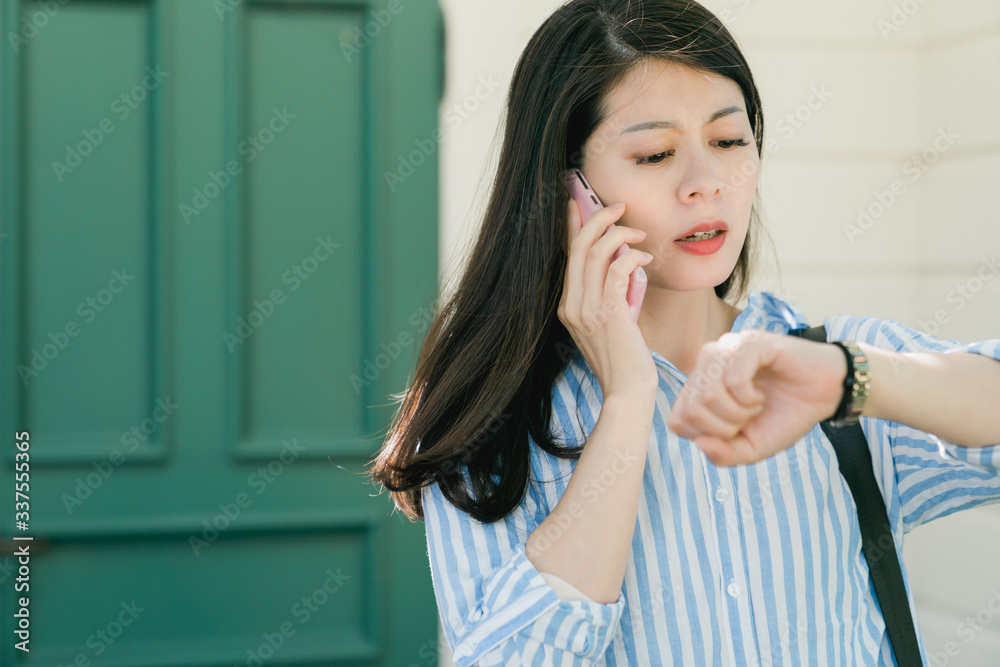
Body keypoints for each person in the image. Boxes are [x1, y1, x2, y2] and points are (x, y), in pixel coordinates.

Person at [366, 0, 1000, 664]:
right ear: (567, 191)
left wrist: (849, 377)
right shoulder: (493, 420)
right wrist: (629, 399)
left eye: (729, 141)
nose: (707, 184)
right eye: (655, 153)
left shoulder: (825, 372)